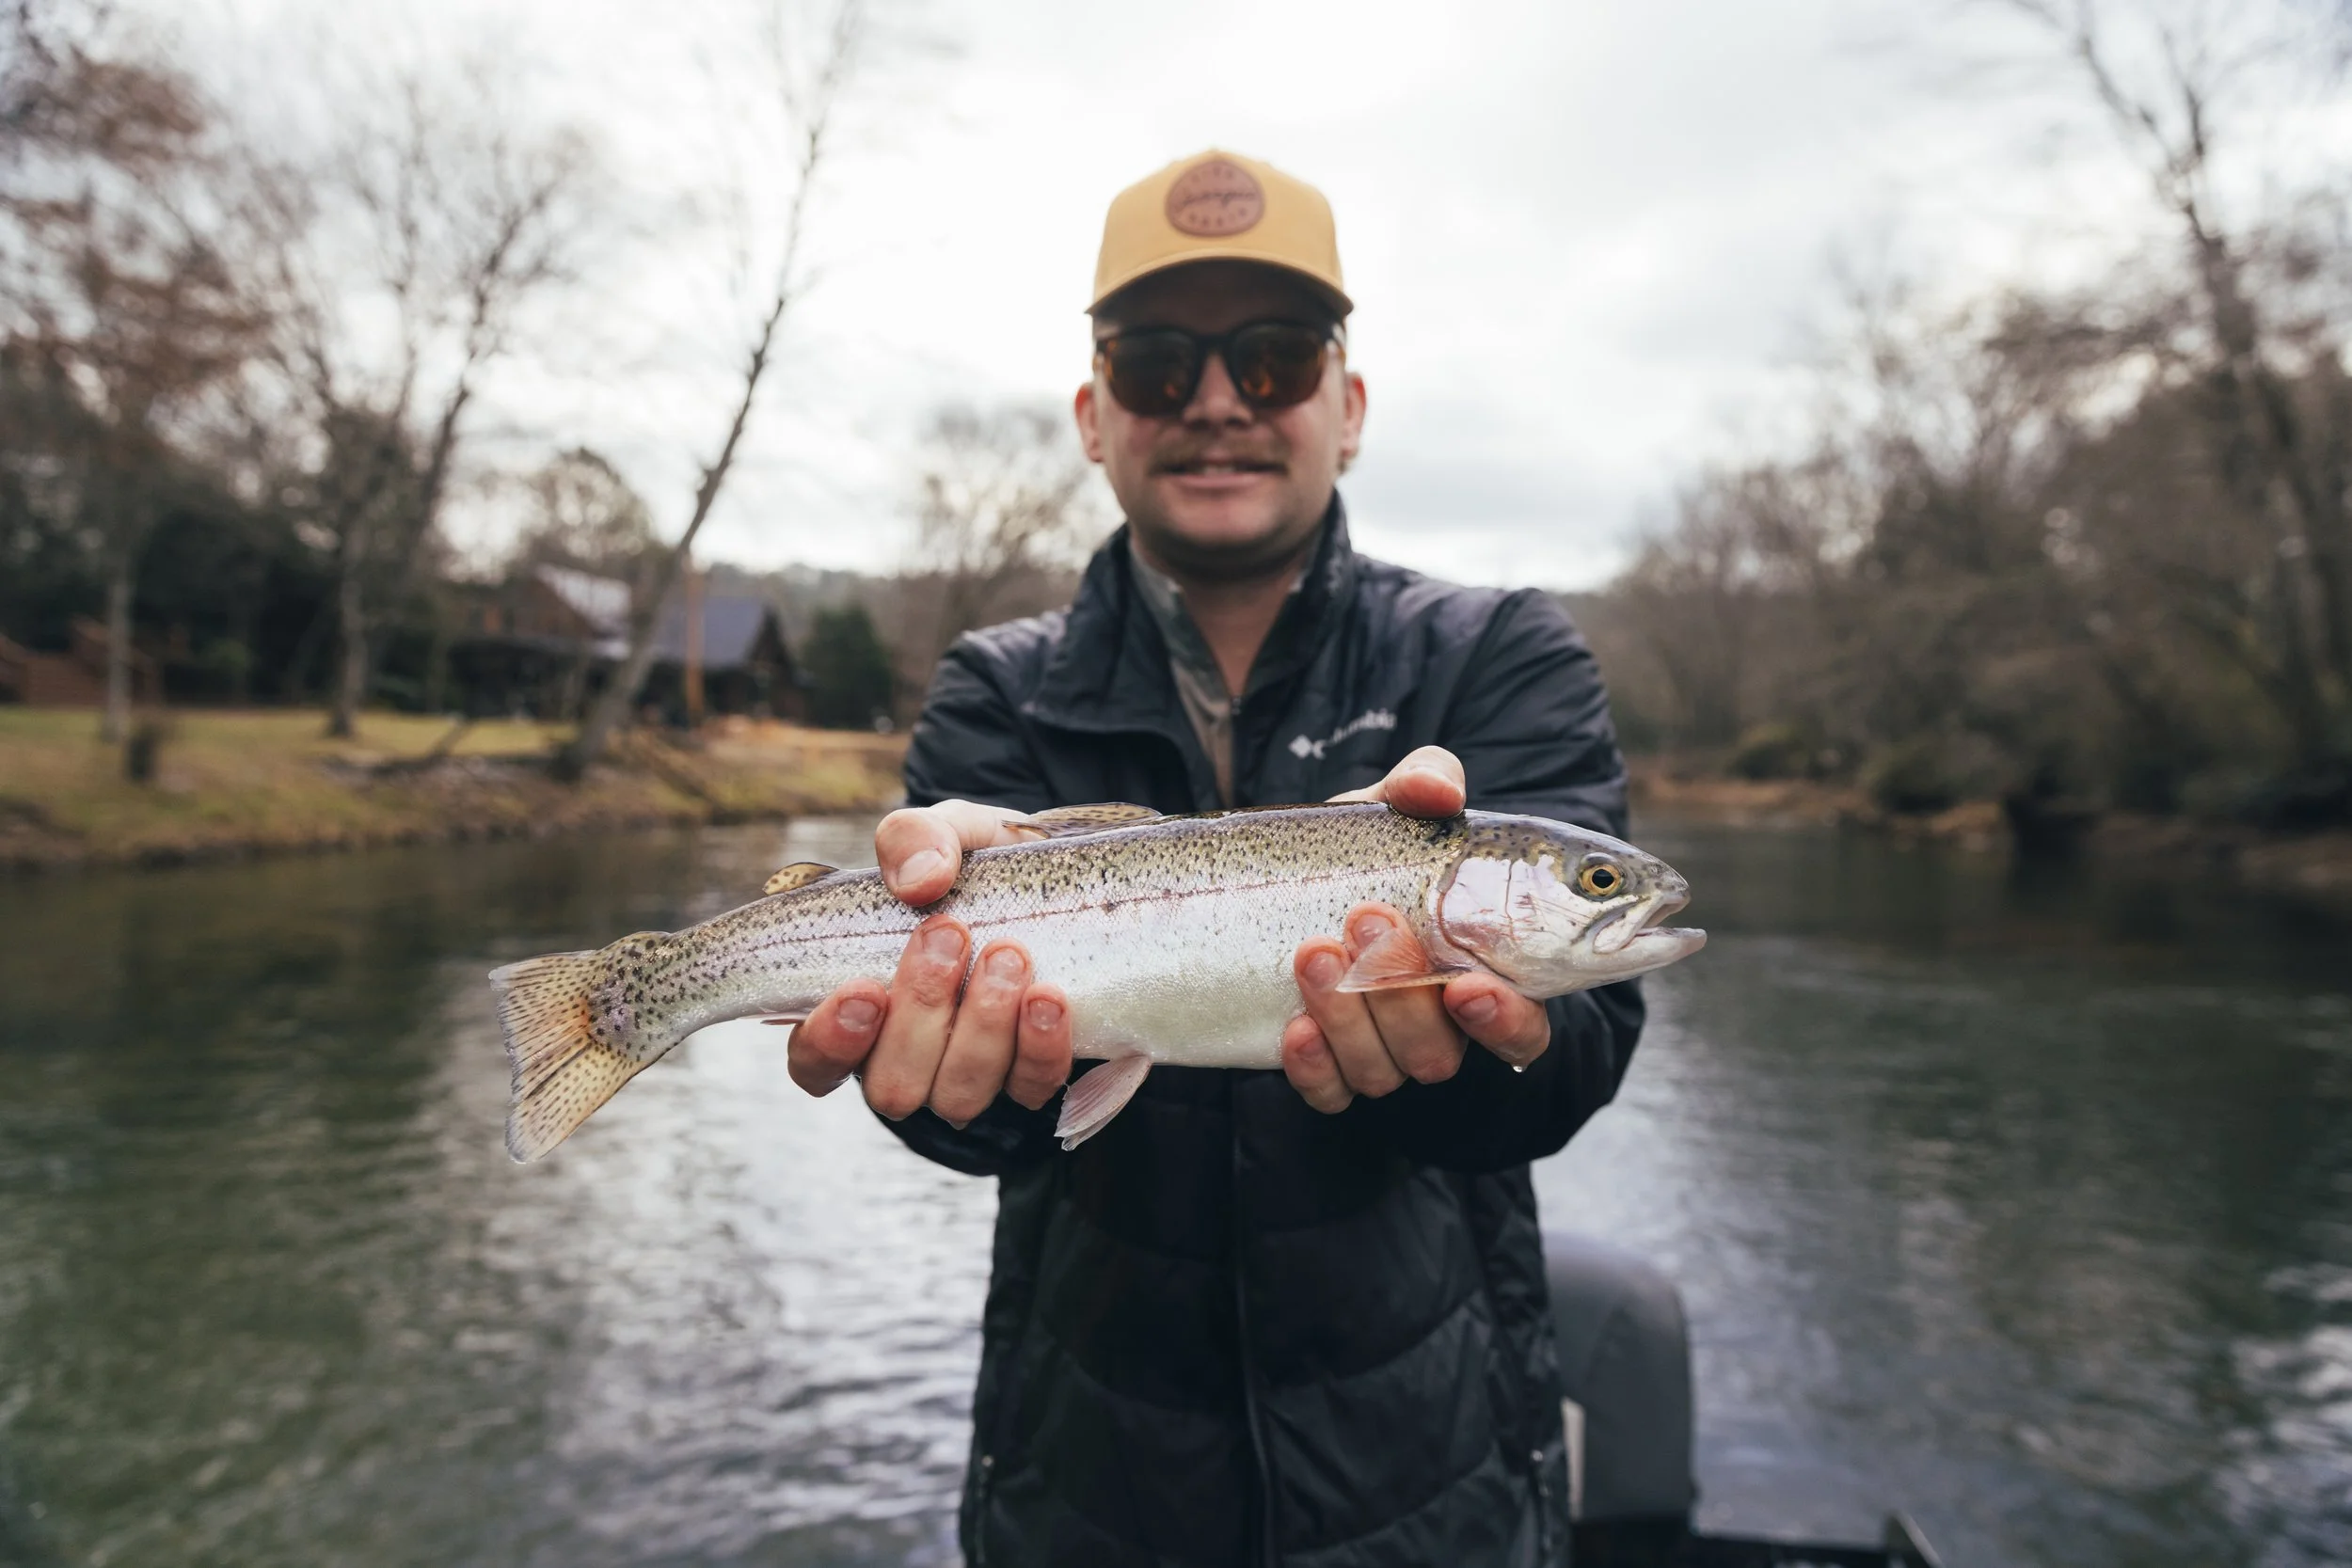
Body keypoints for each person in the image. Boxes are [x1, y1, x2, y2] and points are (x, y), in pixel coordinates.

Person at [787, 150, 1644, 1568]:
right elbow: (975, 1121)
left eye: (1275, 354)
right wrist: (942, 1082)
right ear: (1091, 415)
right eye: (1156, 365)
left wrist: (1472, 1054)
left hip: (1431, 1491)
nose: (1218, 403)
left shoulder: (1499, 654)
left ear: (1347, 407)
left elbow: (1581, 1041)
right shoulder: (996, 691)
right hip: (1084, 1493)